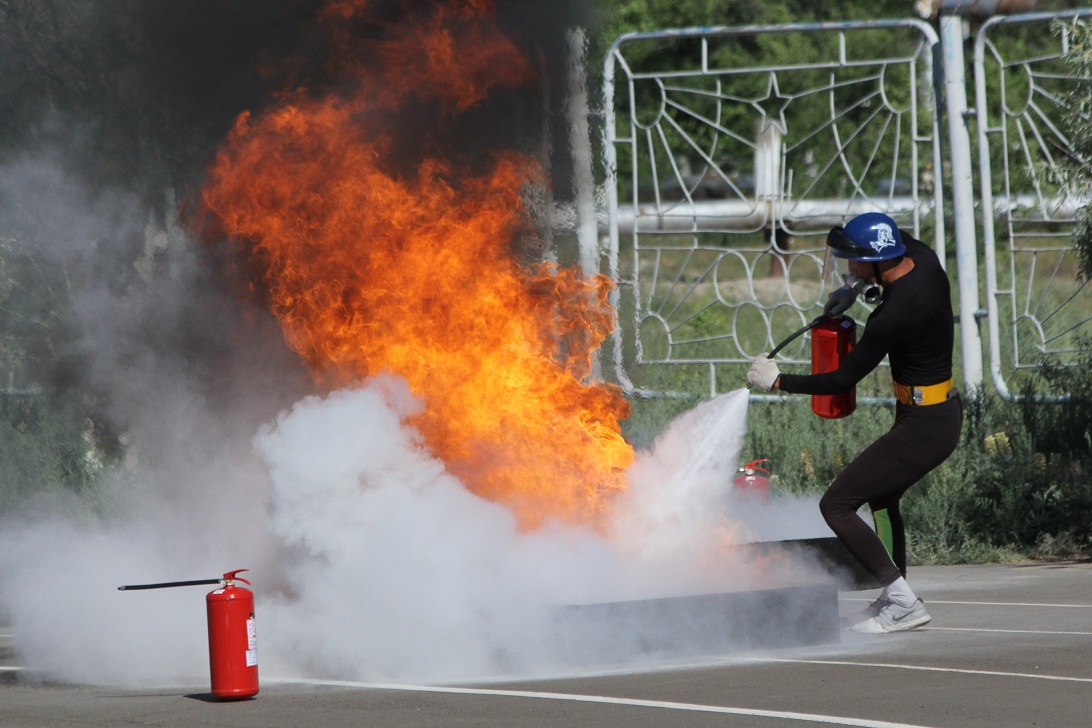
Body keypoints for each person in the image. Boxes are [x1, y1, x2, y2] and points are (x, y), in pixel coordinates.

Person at [747, 212, 963, 633]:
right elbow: (890, 241)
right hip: (934, 414)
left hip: (925, 427)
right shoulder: (925, 259)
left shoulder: (894, 315)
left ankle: (903, 603)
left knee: (837, 505)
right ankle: (895, 595)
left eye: (854, 263)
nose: (849, 268)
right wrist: (855, 288)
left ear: (876, 261)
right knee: (882, 497)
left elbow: (842, 379)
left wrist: (776, 381)